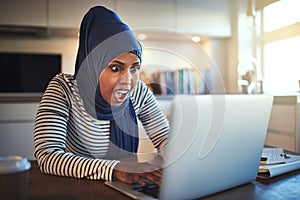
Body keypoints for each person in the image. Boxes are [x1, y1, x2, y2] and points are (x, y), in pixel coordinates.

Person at [34, 6, 169, 186]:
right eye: (116, 68)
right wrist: (115, 169)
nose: (128, 81)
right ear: (92, 65)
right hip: (78, 189)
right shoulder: (63, 89)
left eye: (134, 68)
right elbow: (48, 156)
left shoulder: (138, 92)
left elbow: (165, 138)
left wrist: (176, 159)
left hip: (127, 187)